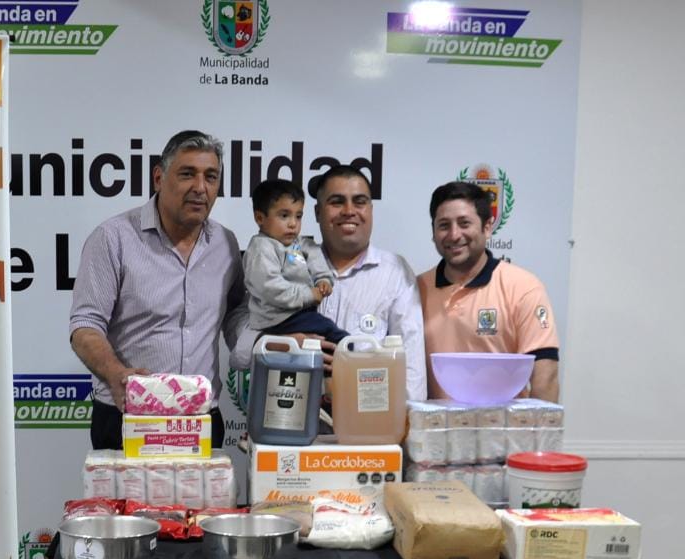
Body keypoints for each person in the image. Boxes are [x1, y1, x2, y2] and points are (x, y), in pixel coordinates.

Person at [70, 130, 248, 449]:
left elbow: (235, 313)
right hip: (128, 417)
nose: (200, 187)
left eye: (211, 177)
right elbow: (85, 326)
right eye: (187, 174)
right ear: (158, 178)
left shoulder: (226, 243)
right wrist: (117, 374)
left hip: (201, 418)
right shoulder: (113, 238)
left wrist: (262, 347)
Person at [232, 164, 427, 405]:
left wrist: (406, 422)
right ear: (317, 212)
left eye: (359, 202)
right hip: (283, 414)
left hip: (363, 421)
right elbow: (239, 328)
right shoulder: (280, 257)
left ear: (370, 210)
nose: (349, 211)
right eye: (337, 202)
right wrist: (277, 343)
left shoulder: (395, 272)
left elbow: (411, 367)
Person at [419, 181, 560, 402]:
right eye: (444, 225)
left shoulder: (524, 288)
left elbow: (546, 376)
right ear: (433, 232)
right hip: (435, 424)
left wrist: (538, 425)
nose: (454, 235)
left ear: (487, 227)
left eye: (464, 223)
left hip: (503, 425)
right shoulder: (416, 289)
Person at [243, 178, 348, 344]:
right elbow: (271, 288)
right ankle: (352, 350)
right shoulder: (261, 248)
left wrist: (323, 279)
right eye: (284, 216)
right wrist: (308, 295)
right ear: (260, 218)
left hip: (297, 314)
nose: (293, 224)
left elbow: (313, 252)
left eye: (298, 216)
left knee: (320, 335)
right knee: (330, 331)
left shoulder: (297, 243)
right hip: (277, 319)